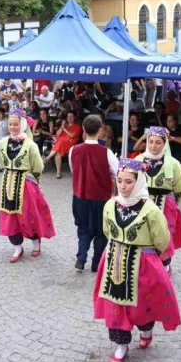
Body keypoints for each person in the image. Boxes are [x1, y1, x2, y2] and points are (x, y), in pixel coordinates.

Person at [93, 158, 181, 362]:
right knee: (116, 304)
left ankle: (146, 329)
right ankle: (121, 345)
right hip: (114, 259)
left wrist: (148, 257)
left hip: (143, 263)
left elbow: (162, 239)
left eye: (128, 182)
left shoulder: (151, 210)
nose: (123, 186)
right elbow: (107, 231)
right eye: (120, 181)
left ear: (139, 181)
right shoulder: (110, 204)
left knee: (142, 305)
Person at [0, 108, 56, 263]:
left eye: (15, 124)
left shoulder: (30, 145)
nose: (12, 127)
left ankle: (35, 241)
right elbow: (1, 162)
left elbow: (38, 166)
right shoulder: (2, 143)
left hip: (26, 185)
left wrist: (33, 180)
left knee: (29, 215)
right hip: (8, 184)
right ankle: (17, 246)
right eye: (10, 124)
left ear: (22, 125)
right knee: (10, 217)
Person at [70, 115, 118, 272]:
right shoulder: (107, 153)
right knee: (101, 231)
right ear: (100, 131)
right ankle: (97, 262)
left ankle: (81, 256)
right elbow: (117, 172)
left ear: (83, 129)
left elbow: (73, 170)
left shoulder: (73, 150)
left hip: (80, 196)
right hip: (100, 198)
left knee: (83, 228)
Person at [135, 126, 181, 274]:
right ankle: (144, 263)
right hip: (143, 202)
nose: (153, 145)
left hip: (166, 203)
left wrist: (173, 202)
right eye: (151, 141)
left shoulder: (173, 163)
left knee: (163, 233)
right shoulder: (139, 160)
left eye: (158, 142)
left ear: (165, 144)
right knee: (144, 232)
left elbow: (180, 186)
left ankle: (164, 264)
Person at [44, 111, 82, 179]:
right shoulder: (64, 126)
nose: (69, 118)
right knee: (58, 151)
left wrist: (65, 129)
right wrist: (62, 127)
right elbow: (57, 134)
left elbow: (72, 135)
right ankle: (58, 173)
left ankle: (48, 158)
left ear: (74, 117)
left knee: (60, 143)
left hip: (70, 144)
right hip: (61, 144)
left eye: (71, 116)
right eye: (68, 116)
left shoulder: (77, 126)